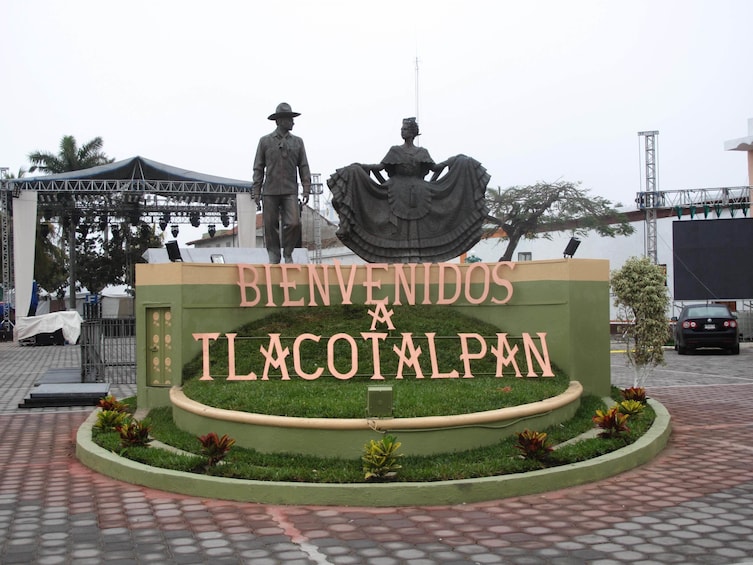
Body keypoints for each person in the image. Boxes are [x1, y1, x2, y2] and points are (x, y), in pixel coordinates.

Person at [328, 117, 489, 263]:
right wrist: (359, 168)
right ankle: (398, 253)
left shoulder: (422, 152)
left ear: (412, 132)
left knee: (418, 225)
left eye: (405, 128)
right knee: (397, 227)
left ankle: (418, 254)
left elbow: (435, 168)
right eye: (402, 128)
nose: (402, 131)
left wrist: (455, 161)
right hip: (396, 192)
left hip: (420, 193)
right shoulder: (395, 150)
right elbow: (380, 167)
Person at [252, 102, 311, 264]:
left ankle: (288, 253)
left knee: (294, 223)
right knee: (270, 225)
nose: (293, 122)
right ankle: (274, 254)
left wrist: (306, 188)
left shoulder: (298, 142)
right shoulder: (265, 141)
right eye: (289, 119)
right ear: (279, 121)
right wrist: (256, 190)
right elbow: (258, 167)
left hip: (290, 190)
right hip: (270, 190)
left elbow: (304, 166)